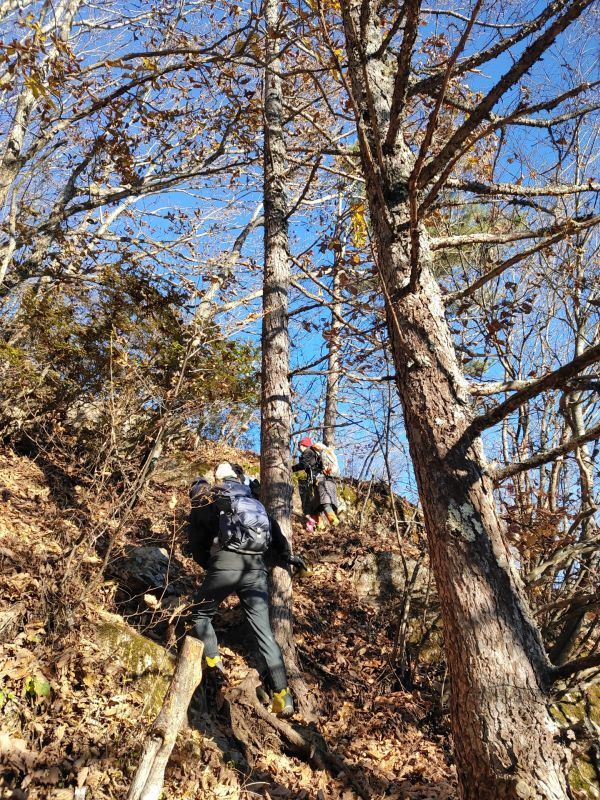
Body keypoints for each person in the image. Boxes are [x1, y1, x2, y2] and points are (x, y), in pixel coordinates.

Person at [188, 461, 306, 718]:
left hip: (226, 563)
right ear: (238, 477)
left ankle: (215, 666)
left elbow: (198, 538)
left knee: (200, 614)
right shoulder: (254, 500)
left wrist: (209, 564)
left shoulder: (212, 496)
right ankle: (282, 695)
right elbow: (274, 530)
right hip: (256, 569)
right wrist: (286, 555)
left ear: (217, 478)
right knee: (264, 632)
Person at [292, 437, 340, 532]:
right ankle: (320, 526)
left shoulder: (308, 452)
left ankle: (335, 523)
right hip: (320, 480)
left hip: (321, 480)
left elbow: (303, 465)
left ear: (303, 445)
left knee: (323, 502)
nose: (299, 449)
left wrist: (290, 469)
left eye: (299, 446)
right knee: (316, 505)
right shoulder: (314, 454)